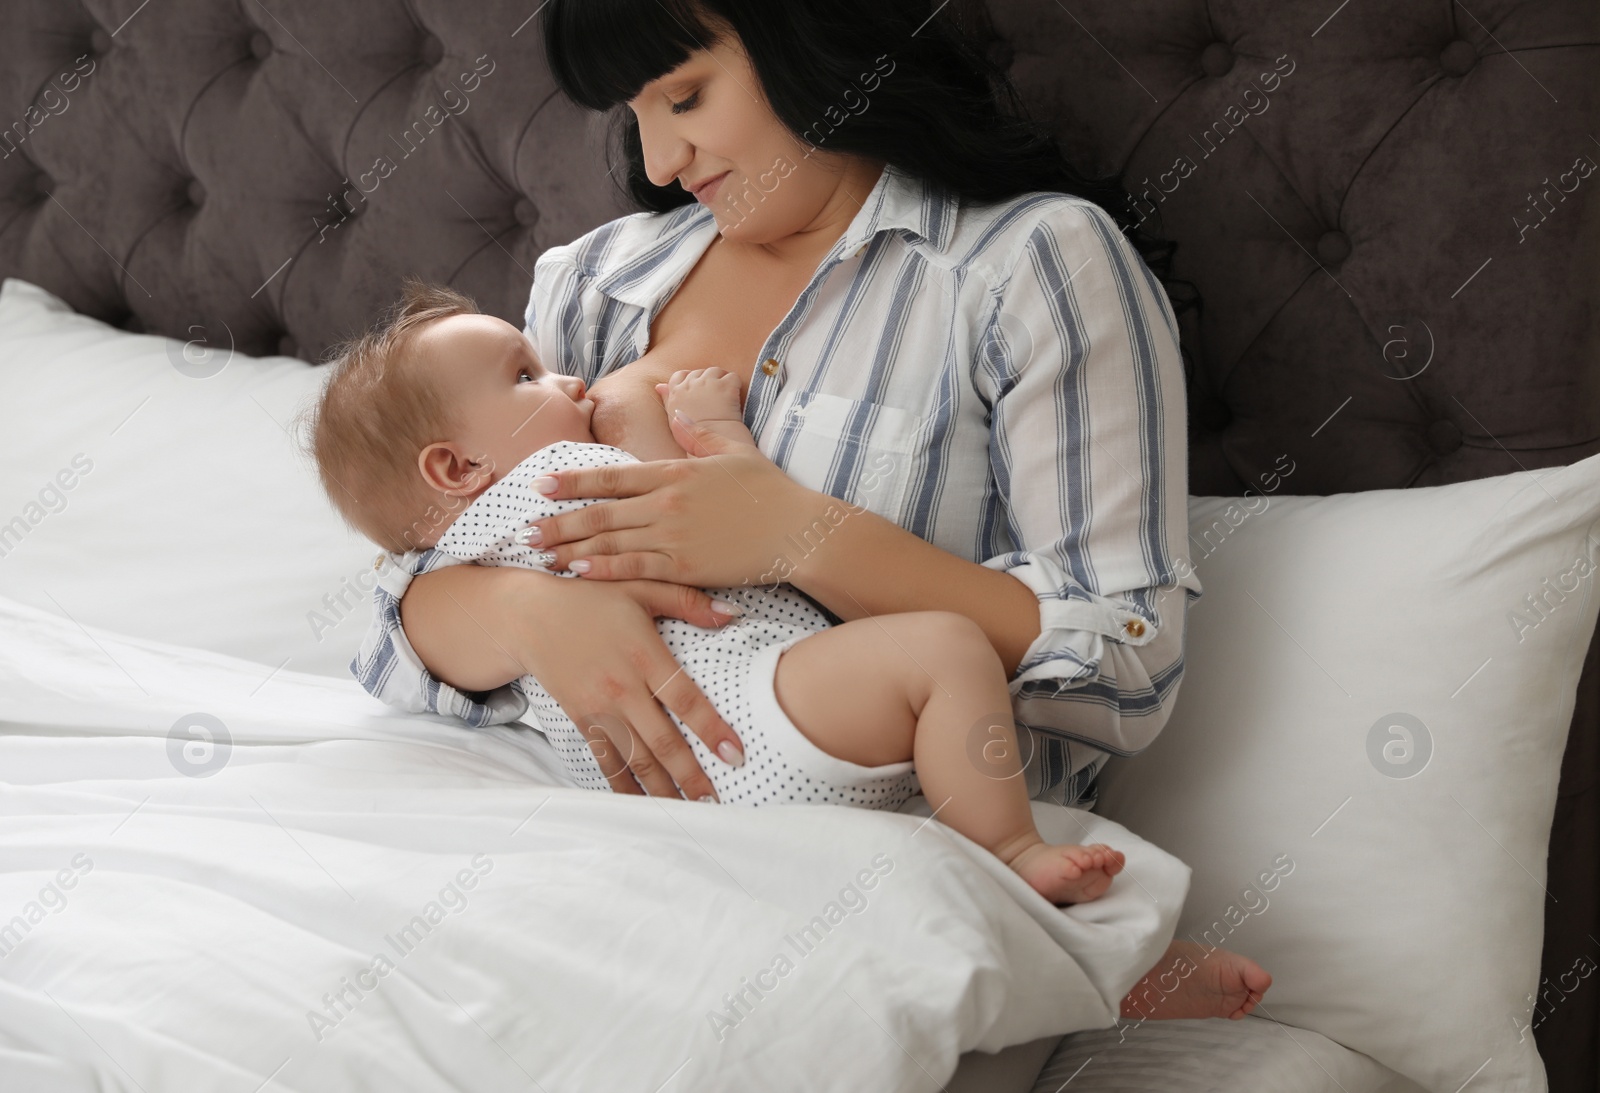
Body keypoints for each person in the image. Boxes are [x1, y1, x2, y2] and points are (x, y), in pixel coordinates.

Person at [350, 0, 1267, 1020]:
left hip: (899, 858)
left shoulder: (1027, 268)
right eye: (635, 114)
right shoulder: (593, 287)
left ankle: (1069, 947)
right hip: (617, 835)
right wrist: (532, 615)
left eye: (686, 95)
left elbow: (1126, 662)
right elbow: (409, 596)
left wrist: (798, 535)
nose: (658, 161)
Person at [309, 281, 1129, 905]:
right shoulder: (551, 494)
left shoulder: (466, 556)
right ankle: (1014, 853)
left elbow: (392, 645)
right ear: (458, 469)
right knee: (947, 648)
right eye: (526, 376)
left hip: (670, 780)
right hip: (750, 718)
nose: (568, 378)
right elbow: (704, 492)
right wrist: (673, 411)